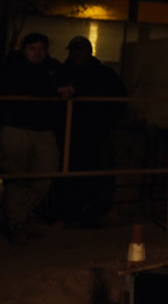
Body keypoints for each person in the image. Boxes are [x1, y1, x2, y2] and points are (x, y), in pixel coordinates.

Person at [2, 32, 69, 236]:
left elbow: (68, 84)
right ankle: (17, 222)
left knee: (46, 174)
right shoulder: (12, 66)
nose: (37, 52)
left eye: (41, 48)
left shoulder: (54, 67)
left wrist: (69, 90)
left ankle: (20, 215)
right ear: (24, 50)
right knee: (16, 177)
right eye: (32, 48)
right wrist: (55, 91)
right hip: (17, 128)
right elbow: (23, 86)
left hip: (44, 130)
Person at [57, 36, 126, 227]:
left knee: (97, 172)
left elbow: (119, 99)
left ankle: (96, 210)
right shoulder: (63, 72)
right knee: (73, 172)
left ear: (89, 52)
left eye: (80, 50)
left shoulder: (103, 74)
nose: (77, 54)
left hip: (96, 131)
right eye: (74, 50)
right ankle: (72, 211)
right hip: (72, 132)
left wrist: (108, 121)